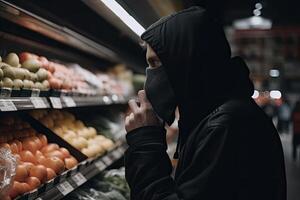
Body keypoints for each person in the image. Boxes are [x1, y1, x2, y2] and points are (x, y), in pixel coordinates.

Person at [124, 6, 286, 200]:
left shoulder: (226, 125)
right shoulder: (218, 114)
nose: (150, 75)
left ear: (186, 62)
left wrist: (145, 142)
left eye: (155, 63)